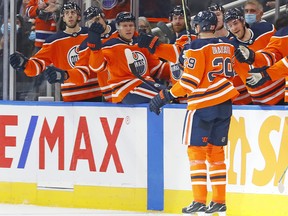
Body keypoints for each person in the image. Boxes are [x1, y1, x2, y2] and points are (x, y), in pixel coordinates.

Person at [149, 10, 239, 215]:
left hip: (203, 104)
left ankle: (199, 200)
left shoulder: (195, 47)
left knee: (196, 152)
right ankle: (219, 201)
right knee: (216, 153)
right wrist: (186, 57)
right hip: (225, 103)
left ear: (198, 27)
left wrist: (165, 96)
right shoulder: (227, 44)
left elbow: (189, 82)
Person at [9, 2, 102, 102]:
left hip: (95, 92)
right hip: (70, 96)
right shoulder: (54, 41)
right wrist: (25, 64)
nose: (70, 15)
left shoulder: (90, 34)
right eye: (66, 13)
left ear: (79, 17)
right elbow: (38, 62)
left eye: (73, 12)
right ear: (63, 18)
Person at [88, 12, 169, 104]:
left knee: (170, 95)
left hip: (145, 83)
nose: (128, 28)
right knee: (163, 98)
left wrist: (177, 73)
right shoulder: (110, 46)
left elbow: (157, 68)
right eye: (124, 26)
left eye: (131, 25)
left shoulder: (140, 42)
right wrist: (95, 50)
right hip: (125, 89)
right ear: (118, 28)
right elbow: (96, 67)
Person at [44, 5, 117, 102]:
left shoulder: (120, 30)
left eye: (98, 19)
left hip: (129, 86)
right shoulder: (86, 44)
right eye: (91, 22)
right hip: (109, 93)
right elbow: (81, 70)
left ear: (104, 17)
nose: (96, 24)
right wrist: (65, 75)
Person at [224, 8, 284, 105]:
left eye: (235, 23)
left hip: (283, 93)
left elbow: (279, 54)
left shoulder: (266, 30)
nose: (233, 28)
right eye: (230, 26)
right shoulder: (230, 49)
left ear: (243, 21)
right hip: (260, 104)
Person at [234, 24, 288, 102]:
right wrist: (253, 57)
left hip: (280, 95)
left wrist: (266, 74)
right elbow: (274, 55)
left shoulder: (269, 30)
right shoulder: (283, 34)